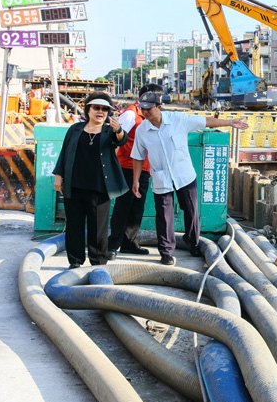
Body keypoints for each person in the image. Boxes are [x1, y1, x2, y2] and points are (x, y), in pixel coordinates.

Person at [131, 91, 249, 265]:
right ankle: (166, 252)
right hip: (161, 178)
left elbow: (205, 121)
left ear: (159, 107)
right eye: (143, 109)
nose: (146, 112)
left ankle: (192, 241)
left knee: (192, 211)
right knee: (164, 216)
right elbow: (138, 156)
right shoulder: (142, 130)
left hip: (184, 175)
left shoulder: (178, 120)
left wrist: (231, 122)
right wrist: (135, 180)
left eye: (149, 108)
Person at [53, 92, 127, 268]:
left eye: (104, 109)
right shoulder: (75, 129)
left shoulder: (110, 130)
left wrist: (118, 130)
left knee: (98, 229)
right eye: (96, 108)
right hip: (74, 185)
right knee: (74, 226)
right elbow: (64, 154)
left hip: (99, 188)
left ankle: (98, 262)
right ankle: (75, 261)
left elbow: (121, 141)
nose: (100, 112)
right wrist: (58, 177)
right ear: (88, 110)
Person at [106, 83, 164, 260]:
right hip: (127, 168)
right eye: (158, 98)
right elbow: (115, 138)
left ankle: (129, 242)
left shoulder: (151, 116)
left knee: (136, 208)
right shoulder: (131, 114)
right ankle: (113, 245)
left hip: (144, 168)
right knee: (123, 207)